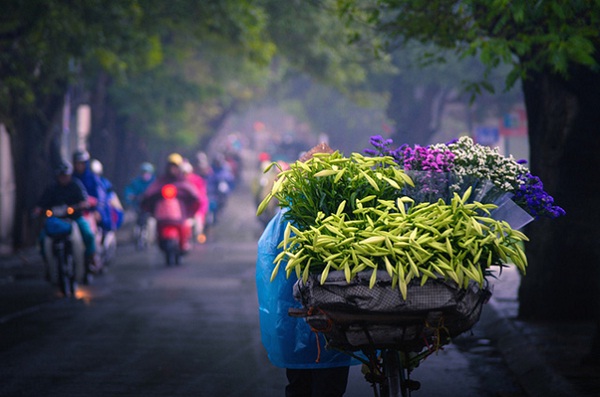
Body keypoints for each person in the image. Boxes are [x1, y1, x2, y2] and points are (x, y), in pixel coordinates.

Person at [256, 143, 356, 397]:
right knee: (325, 387)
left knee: (302, 386)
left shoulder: (291, 215)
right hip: (323, 317)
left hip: (301, 319)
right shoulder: (299, 215)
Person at [33, 161, 98, 277]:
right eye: (61, 176)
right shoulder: (51, 188)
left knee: (88, 234)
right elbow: (41, 203)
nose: (63, 178)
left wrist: (80, 206)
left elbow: (84, 200)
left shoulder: (76, 185)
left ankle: (90, 259)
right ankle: (48, 265)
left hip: (74, 218)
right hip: (55, 221)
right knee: (42, 239)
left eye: (65, 175)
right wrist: (38, 210)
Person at [141, 153, 201, 252]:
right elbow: (149, 194)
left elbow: (194, 196)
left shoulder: (183, 182)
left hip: (180, 215)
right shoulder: (161, 181)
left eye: (175, 167)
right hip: (162, 216)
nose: (173, 169)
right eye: (171, 167)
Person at [181, 159, 209, 243]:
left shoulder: (197, 180)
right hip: (183, 209)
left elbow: (202, 197)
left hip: (196, 208)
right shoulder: (178, 182)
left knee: (198, 223)